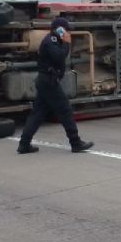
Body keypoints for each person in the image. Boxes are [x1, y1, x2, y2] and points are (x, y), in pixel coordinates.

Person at [17, 17, 94, 154]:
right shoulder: (51, 41)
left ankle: (24, 144)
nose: (68, 33)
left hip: (46, 82)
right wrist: (66, 43)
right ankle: (75, 143)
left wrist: (63, 42)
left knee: (37, 114)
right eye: (65, 30)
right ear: (59, 29)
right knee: (65, 110)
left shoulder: (54, 40)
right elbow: (58, 57)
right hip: (48, 82)